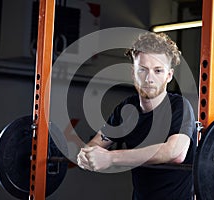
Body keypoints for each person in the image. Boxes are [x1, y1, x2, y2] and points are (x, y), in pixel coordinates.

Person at [77, 32, 197, 200]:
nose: (149, 78)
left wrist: (111, 158)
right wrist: (85, 155)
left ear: (169, 76)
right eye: (143, 70)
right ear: (133, 73)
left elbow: (175, 153)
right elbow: (95, 144)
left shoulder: (179, 106)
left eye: (158, 71)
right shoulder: (126, 109)